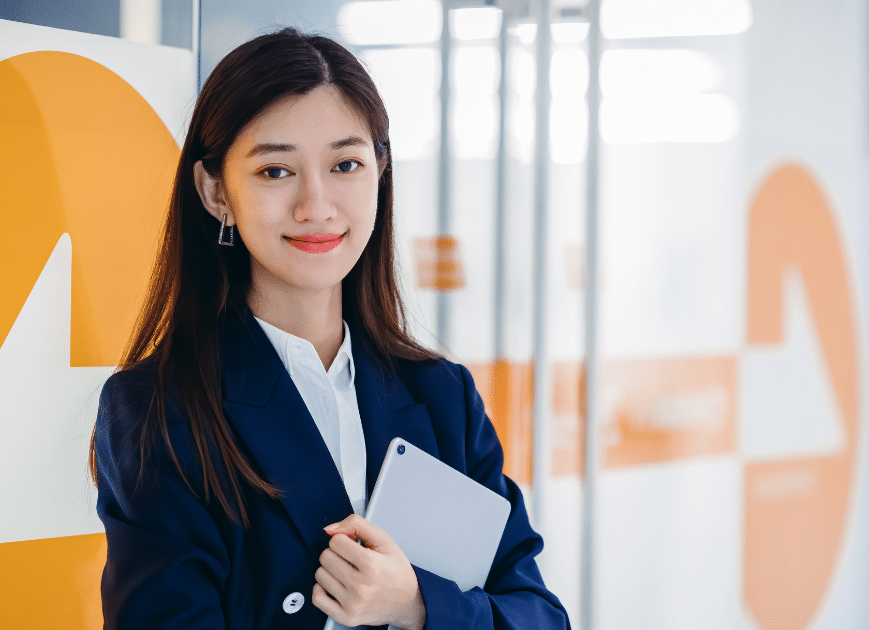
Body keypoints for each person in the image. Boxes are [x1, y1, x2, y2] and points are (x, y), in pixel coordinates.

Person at [89, 28, 569, 630]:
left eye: (345, 165)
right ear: (216, 192)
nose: (316, 206)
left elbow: (538, 614)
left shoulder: (442, 396)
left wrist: (418, 606)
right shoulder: (162, 411)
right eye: (275, 171)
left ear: (380, 173)